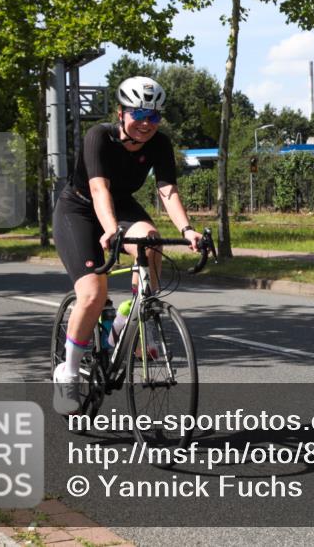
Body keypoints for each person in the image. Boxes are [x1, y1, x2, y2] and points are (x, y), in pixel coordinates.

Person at [51, 76, 202, 415]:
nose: (147, 124)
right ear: (120, 113)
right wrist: (110, 231)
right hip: (79, 210)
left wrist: (188, 230)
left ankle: (128, 322)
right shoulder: (98, 138)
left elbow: (168, 191)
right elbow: (98, 191)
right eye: (139, 115)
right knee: (92, 293)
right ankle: (70, 372)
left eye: (154, 117)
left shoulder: (159, 144)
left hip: (121, 206)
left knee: (150, 240)